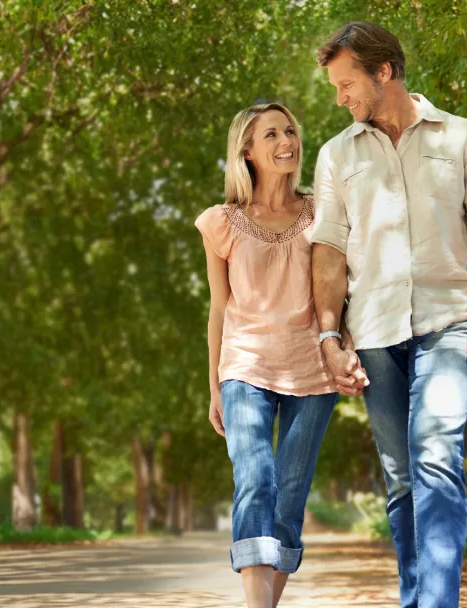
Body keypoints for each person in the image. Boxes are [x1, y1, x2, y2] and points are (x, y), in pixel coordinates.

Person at [310, 21, 467, 608]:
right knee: (401, 477)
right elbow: (327, 254)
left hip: (451, 317)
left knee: (435, 456)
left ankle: (437, 603)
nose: (340, 97)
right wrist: (330, 333)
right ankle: (415, 596)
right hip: (374, 329)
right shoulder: (335, 156)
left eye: (347, 83)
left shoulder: (462, 137)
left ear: (384, 71)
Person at [195, 102, 362, 608]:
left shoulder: (322, 213)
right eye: (271, 134)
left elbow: (342, 289)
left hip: (312, 367)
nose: (286, 140)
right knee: (255, 478)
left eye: (289, 131)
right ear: (247, 151)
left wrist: (344, 346)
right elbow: (219, 309)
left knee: (289, 493)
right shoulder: (223, 223)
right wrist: (214, 387)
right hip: (244, 365)